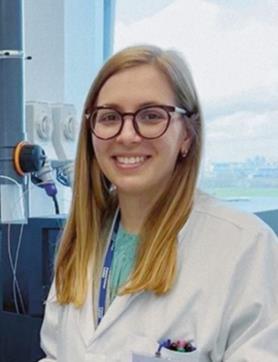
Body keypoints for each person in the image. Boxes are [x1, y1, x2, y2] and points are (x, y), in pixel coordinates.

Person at [39, 45, 278, 362]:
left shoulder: (245, 247)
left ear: (187, 136)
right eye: (109, 117)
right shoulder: (82, 238)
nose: (127, 135)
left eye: (151, 116)